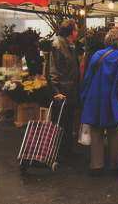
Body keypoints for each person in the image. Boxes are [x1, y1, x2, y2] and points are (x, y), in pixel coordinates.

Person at [80, 29, 118, 174]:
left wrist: (85, 97)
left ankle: (96, 165)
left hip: (95, 97)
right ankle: (115, 165)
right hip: (112, 98)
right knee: (115, 129)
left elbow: (87, 78)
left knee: (96, 130)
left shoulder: (97, 55)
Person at [49, 19, 81, 158]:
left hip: (69, 90)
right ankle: (58, 153)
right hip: (62, 91)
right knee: (60, 123)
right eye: (77, 30)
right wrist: (56, 91)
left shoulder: (68, 45)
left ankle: (68, 151)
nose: (78, 32)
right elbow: (52, 70)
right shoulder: (57, 45)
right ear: (72, 31)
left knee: (68, 122)